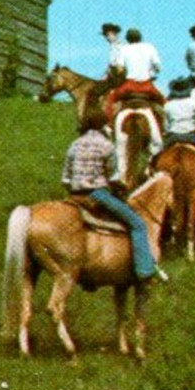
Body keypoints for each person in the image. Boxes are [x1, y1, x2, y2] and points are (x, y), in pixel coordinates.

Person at [62, 107, 167, 283]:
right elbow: (114, 177)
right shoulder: (106, 145)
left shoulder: (74, 145)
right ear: (103, 125)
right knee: (138, 224)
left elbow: (65, 179)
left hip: (74, 196)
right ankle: (145, 271)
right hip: (96, 195)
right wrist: (121, 189)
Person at [103, 27, 164, 123]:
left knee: (110, 98)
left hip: (129, 86)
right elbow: (158, 66)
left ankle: (108, 124)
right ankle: (167, 126)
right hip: (147, 85)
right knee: (163, 101)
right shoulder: (149, 47)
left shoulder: (124, 49)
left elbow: (120, 69)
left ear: (127, 39)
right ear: (140, 38)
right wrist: (151, 71)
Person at [161, 77, 195, 157]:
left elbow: (165, 127)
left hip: (173, 137)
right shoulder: (193, 103)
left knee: (156, 155)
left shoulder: (167, 105)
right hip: (191, 136)